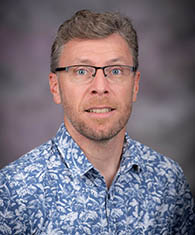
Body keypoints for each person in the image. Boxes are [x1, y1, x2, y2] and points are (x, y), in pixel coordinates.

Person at [0, 9, 194, 235]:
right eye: (81, 71)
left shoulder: (169, 181)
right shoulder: (13, 190)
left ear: (135, 85)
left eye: (116, 70)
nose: (100, 87)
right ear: (55, 87)